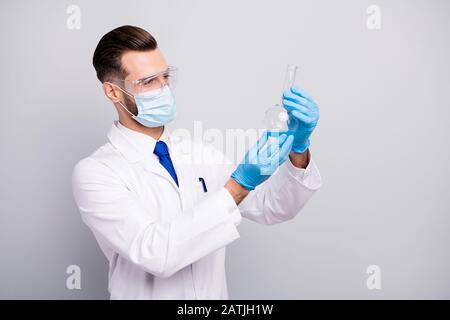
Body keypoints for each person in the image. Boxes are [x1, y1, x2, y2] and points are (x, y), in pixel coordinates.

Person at [72, 25, 322, 300]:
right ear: (113, 92)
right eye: (148, 82)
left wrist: (299, 149)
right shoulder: (96, 172)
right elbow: (156, 253)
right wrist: (239, 185)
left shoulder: (201, 153)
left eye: (165, 77)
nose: (163, 89)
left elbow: (273, 208)